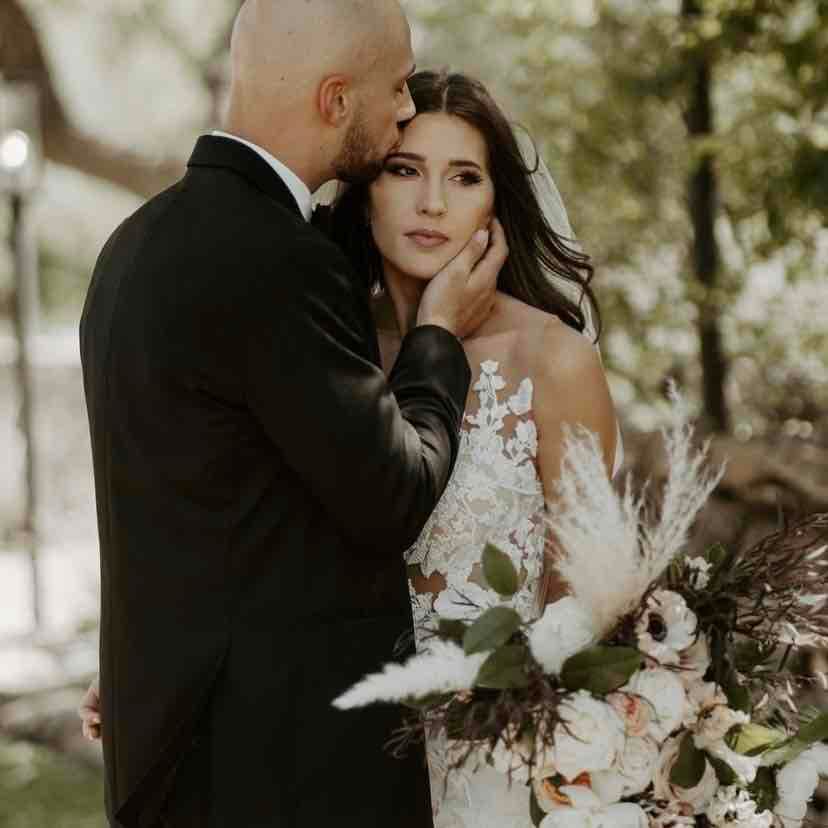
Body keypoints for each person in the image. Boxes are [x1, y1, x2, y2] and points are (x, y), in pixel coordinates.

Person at [78, 1, 506, 826]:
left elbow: (180, 509)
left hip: (167, 758)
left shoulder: (134, 242)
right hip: (274, 775)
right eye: (394, 88)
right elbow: (393, 496)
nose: (406, 108)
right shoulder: (279, 260)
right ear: (336, 101)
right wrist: (439, 337)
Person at [325, 69, 622, 827]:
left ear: (497, 204)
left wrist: (503, 684)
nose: (432, 204)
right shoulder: (324, 350)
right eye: (404, 171)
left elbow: (594, 591)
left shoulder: (552, 360)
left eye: (463, 177)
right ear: (365, 190)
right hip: (337, 754)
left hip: (500, 762)